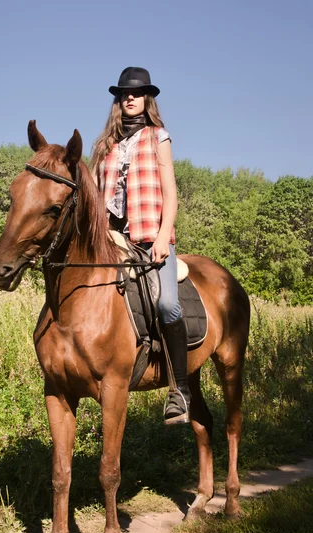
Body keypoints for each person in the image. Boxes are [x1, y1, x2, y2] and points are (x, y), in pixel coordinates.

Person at [91, 66, 191, 425]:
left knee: (167, 304)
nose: (129, 97)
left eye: (136, 92)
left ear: (148, 98)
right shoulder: (105, 145)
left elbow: (170, 191)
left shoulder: (158, 136)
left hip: (150, 237)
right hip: (110, 240)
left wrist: (165, 236)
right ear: (118, 101)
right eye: (123, 94)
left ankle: (179, 389)